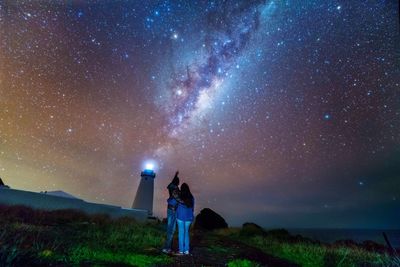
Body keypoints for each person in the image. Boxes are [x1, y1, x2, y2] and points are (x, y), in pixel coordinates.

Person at [162, 171, 181, 254]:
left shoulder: (171, 186)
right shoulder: (175, 189)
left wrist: (175, 175)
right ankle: (167, 248)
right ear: (177, 183)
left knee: (170, 229)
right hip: (173, 209)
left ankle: (167, 247)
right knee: (171, 229)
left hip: (170, 208)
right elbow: (177, 198)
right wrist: (185, 202)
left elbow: (173, 182)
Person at [176, 182, 194, 255]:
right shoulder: (191, 197)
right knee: (186, 233)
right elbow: (192, 208)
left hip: (180, 216)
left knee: (181, 233)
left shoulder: (179, 196)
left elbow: (172, 202)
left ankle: (181, 250)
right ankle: (186, 250)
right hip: (188, 217)